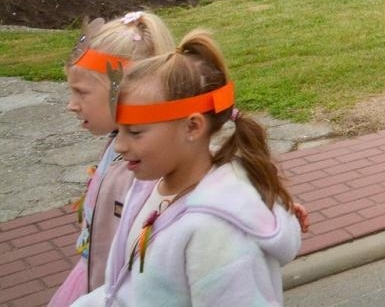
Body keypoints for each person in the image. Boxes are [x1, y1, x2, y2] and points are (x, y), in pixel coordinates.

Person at [79, 32, 300, 306]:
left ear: (193, 127)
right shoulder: (147, 186)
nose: (120, 145)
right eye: (119, 131)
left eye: (135, 133)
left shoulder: (215, 232)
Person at [51, 12, 176, 307]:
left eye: (80, 92)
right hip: (96, 282)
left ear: (123, 92)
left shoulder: (147, 167)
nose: (72, 105)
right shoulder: (116, 147)